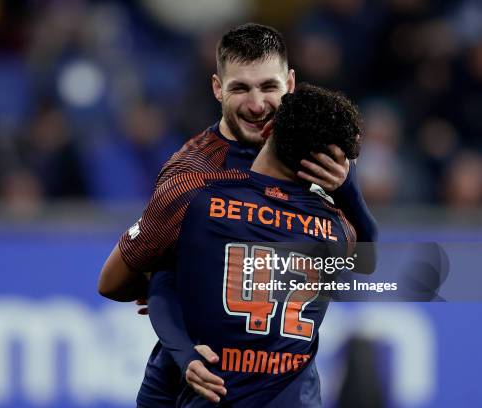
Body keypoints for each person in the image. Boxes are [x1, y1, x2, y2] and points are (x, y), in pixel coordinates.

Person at [98, 23, 377, 407]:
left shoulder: (322, 161)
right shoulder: (192, 176)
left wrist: (349, 188)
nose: (257, 105)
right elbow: (118, 280)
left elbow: (362, 264)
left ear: (290, 84)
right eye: (240, 88)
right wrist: (181, 288)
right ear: (217, 88)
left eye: (268, 87)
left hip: (281, 384)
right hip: (197, 381)